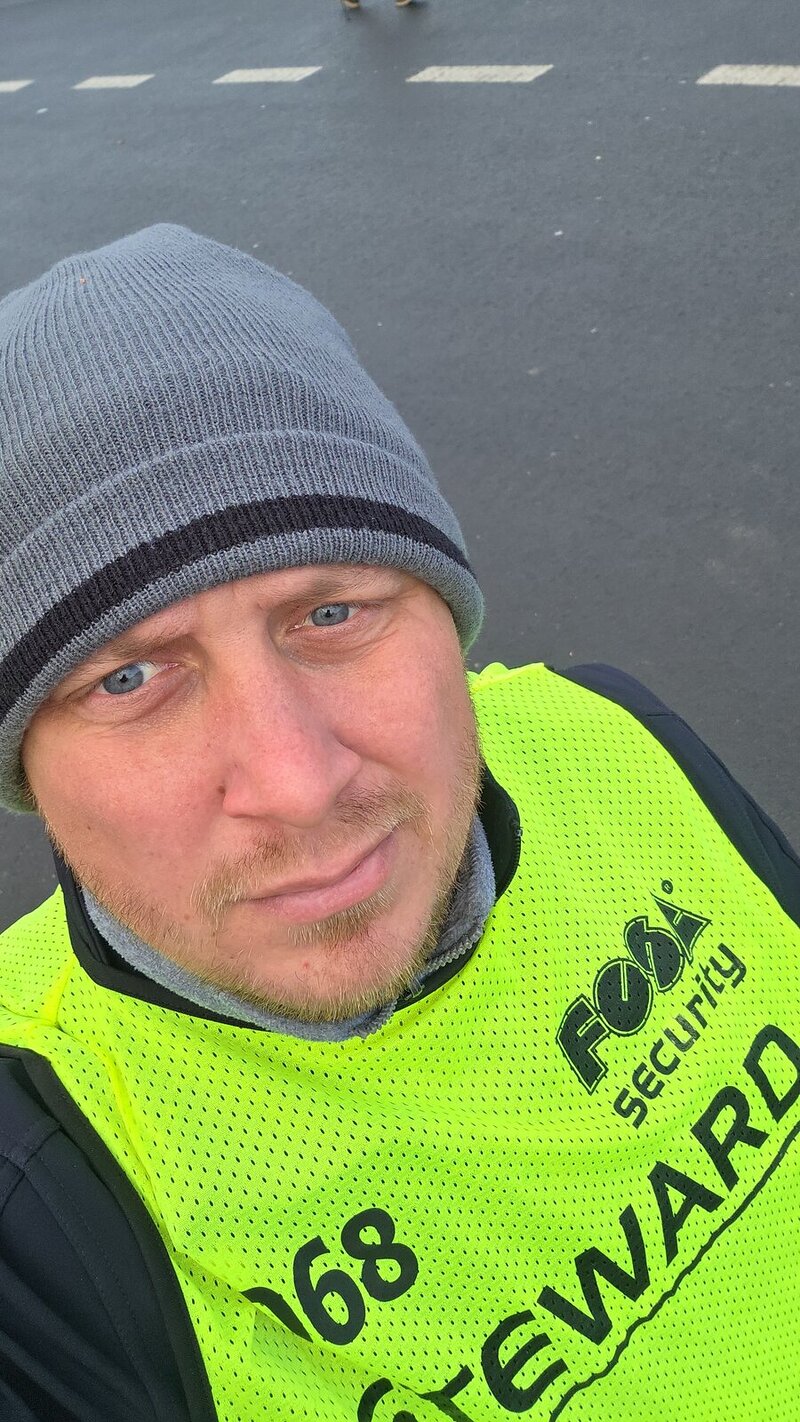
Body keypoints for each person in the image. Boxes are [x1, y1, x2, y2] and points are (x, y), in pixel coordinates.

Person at [0, 224, 797, 1422]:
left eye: (331, 613)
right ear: (29, 768)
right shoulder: (40, 1186)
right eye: (127, 679)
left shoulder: (610, 735)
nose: (296, 781)